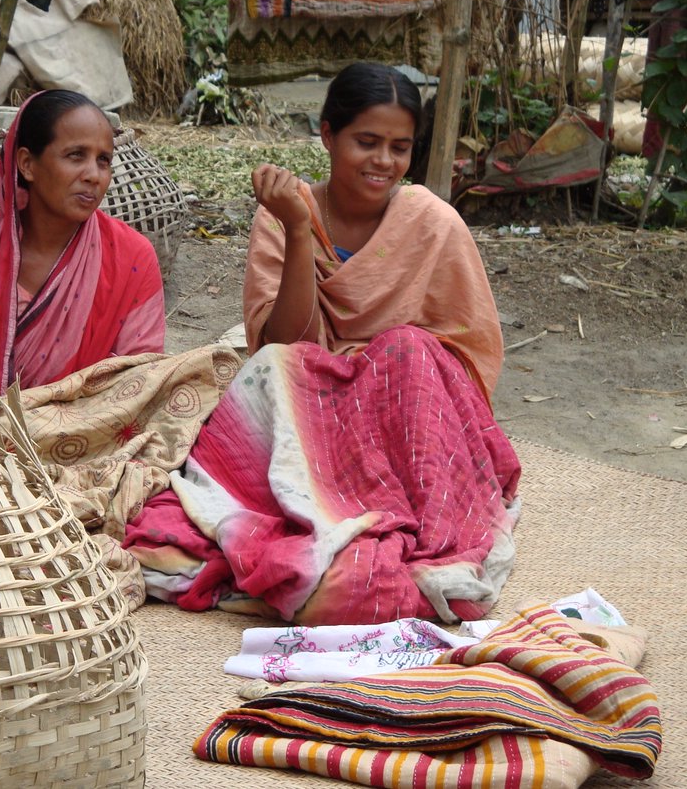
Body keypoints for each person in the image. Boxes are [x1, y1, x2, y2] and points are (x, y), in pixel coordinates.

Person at [125, 63, 522, 626]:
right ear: (328, 135)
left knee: (407, 347)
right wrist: (297, 229)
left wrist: (377, 371)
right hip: (313, 396)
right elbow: (283, 341)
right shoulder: (287, 213)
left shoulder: (434, 224)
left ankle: (402, 512)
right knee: (278, 367)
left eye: (399, 147)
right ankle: (317, 500)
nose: (383, 161)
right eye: (366, 142)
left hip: (400, 404)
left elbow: (464, 355)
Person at [0, 89, 166, 418]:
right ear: (27, 164)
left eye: (103, 160)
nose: (93, 175)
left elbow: (138, 385)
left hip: (88, 443)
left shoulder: (131, 259)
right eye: (75, 155)